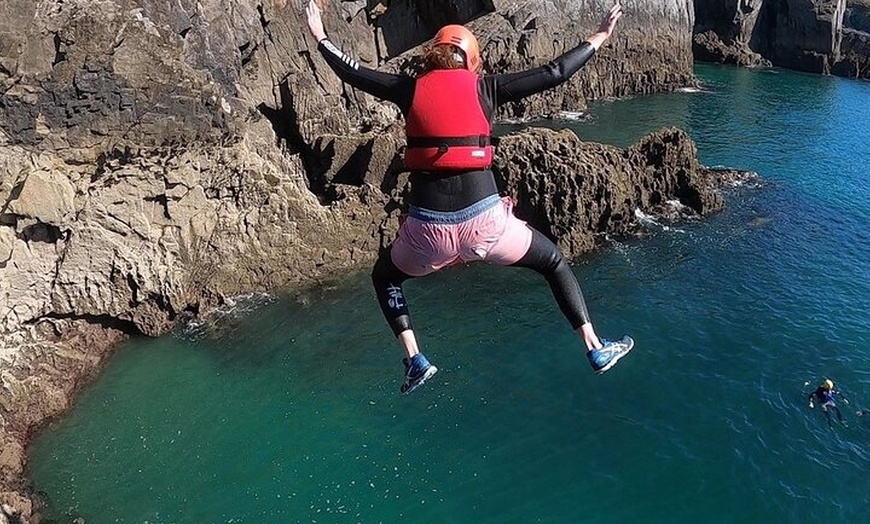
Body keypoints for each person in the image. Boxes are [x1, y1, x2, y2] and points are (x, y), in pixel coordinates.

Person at [304, 0, 634, 394]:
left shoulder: (408, 89)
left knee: (384, 277)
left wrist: (321, 36)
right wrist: (599, 35)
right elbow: (555, 72)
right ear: (472, 61)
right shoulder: (486, 88)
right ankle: (594, 348)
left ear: (433, 57)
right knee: (553, 263)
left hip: (427, 234)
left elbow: (353, 71)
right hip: (487, 227)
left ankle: (414, 360)